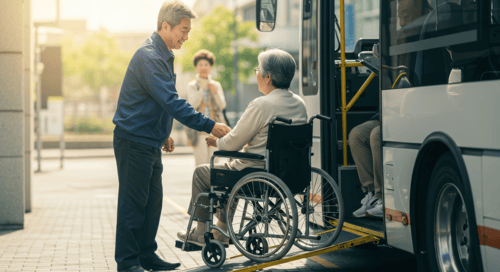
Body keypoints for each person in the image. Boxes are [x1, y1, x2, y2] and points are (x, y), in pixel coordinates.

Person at [112, 2, 230, 272]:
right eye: (183, 30)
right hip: (133, 141)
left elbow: (158, 101)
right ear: (165, 26)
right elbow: (171, 101)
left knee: (152, 203)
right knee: (133, 204)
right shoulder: (150, 56)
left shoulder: (163, 53)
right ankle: (128, 263)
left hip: (148, 140)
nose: (186, 36)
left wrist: (163, 133)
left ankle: (146, 255)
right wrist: (209, 125)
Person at [177, 48, 307, 246]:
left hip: (256, 172)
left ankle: (201, 231)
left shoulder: (261, 104)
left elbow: (232, 143)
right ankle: (221, 230)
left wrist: (218, 141)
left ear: (268, 77)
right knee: (232, 171)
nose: (256, 74)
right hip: (291, 173)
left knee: (202, 173)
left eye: (258, 69)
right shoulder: (300, 104)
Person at [184, 49, 227, 166]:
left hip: (215, 131)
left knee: (215, 164)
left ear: (211, 67)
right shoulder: (192, 85)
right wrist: (202, 88)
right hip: (199, 132)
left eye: (206, 64)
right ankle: (203, 185)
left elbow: (222, 105)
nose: (203, 67)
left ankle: (213, 185)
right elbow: (192, 105)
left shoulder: (216, 85)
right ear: (196, 67)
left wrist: (215, 93)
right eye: (200, 64)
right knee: (201, 165)